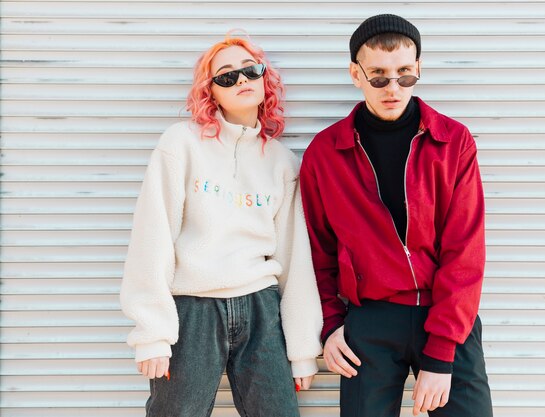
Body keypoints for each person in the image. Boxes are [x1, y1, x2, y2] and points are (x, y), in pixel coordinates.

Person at [120, 32, 323, 417]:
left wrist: (302, 350)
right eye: (226, 76)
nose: (241, 80)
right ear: (210, 92)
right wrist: (152, 332)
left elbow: (295, 258)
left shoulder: (282, 162)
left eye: (250, 70)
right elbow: (154, 235)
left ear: (265, 79)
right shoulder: (181, 144)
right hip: (194, 308)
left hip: (261, 307)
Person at [300, 14, 493, 417]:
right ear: (356, 74)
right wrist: (332, 324)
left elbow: (466, 252)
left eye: (404, 74)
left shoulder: (453, 141)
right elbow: (318, 252)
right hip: (369, 323)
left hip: (445, 319)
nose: (393, 88)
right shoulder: (325, 153)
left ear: (418, 69)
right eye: (379, 76)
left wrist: (441, 354)